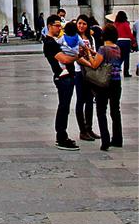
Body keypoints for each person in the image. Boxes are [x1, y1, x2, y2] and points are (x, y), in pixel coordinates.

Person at [43, 13, 80, 150]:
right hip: (62, 77)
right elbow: (63, 59)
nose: (59, 29)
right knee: (63, 107)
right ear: (49, 26)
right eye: (57, 26)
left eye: (60, 26)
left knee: (65, 107)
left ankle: (63, 135)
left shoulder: (56, 41)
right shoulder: (49, 43)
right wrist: (77, 56)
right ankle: (61, 136)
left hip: (67, 76)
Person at [87, 23, 123, 151]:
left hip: (104, 82)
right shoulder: (117, 48)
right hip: (116, 81)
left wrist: (89, 55)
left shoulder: (103, 49)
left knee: (101, 111)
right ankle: (118, 138)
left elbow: (95, 64)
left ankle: (105, 140)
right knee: (115, 110)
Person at [74, 14, 99, 141]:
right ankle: (82, 130)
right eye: (79, 23)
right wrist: (90, 63)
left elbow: (94, 52)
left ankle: (89, 128)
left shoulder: (91, 38)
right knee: (80, 100)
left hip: (90, 72)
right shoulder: (74, 38)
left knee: (90, 101)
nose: (81, 26)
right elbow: (77, 56)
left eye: (84, 23)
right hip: (79, 72)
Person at [112, 11, 134, 78]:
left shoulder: (115, 24)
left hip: (118, 41)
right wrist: (133, 41)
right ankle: (126, 73)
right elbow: (129, 34)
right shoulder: (126, 24)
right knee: (126, 57)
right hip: (126, 42)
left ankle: (116, 69)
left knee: (119, 57)